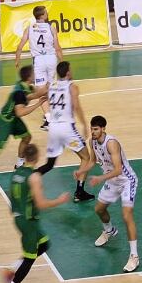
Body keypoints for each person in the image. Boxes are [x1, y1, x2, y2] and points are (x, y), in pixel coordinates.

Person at [3, 143, 69, 283]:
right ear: (38, 157)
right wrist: (59, 201)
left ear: (24, 156)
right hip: (28, 221)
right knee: (30, 258)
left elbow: (11, 195)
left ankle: (13, 267)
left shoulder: (16, 172)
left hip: (20, 218)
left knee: (45, 245)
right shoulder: (34, 177)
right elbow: (41, 204)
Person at [74, 115, 140, 273]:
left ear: (103, 129)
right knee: (99, 210)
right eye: (91, 128)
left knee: (127, 215)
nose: (93, 132)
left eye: (96, 129)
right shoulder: (92, 142)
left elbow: (117, 169)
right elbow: (92, 160)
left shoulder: (111, 143)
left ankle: (134, 256)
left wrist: (99, 178)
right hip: (112, 181)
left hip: (126, 181)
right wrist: (81, 171)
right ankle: (109, 231)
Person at [36, 61, 95, 203]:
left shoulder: (50, 86)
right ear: (68, 72)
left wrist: (23, 99)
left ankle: (28, 179)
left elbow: (35, 95)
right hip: (67, 128)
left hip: (53, 128)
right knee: (86, 158)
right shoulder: (72, 87)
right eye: (71, 70)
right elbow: (76, 106)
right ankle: (79, 192)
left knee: (49, 164)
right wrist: (85, 124)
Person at [14, 5, 62, 130]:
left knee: (41, 91)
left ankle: (49, 119)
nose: (47, 14)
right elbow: (57, 46)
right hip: (51, 59)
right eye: (46, 12)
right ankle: (56, 115)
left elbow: (20, 45)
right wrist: (62, 61)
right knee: (52, 88)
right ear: (43, 15)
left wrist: (17, 58)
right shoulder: (52, 27)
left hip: (39, 61)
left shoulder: (29, 28)